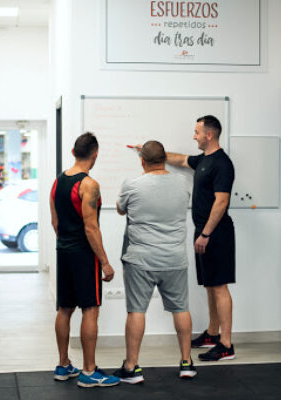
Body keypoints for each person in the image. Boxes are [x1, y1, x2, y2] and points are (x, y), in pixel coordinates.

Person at [113, 140, 197, 384]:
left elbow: (120, 209)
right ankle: (186, 363)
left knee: (136, 310)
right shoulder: (183, 184)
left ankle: (132, 368)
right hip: (174, 258)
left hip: (141, 259)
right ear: (164, 158)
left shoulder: (132, 184)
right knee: (180, 308)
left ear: (142, 161)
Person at [162, 115, 236, 361]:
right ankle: (213, 334)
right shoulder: (204, 160)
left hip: (216, 233)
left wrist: (206, 233)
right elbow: (181, 159)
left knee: (219, 285)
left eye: (196, 132)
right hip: (203, 232)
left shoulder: (222, 164)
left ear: (209, 135)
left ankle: (226, 344)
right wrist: (153, 153)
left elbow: (222, 201)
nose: (193, 136)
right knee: (210, 284)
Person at [49, 132, 120, 388]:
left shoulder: (57, 182)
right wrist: (105, 262)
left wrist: (67, 243)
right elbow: (91, 229)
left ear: (73, 152)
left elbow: (55, 222)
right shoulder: (89, 185)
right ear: (95, 154)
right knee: (90, 308)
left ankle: (63, 364)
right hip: (83, 254)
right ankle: (89, 372)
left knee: (65, 309)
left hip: (63, 251)